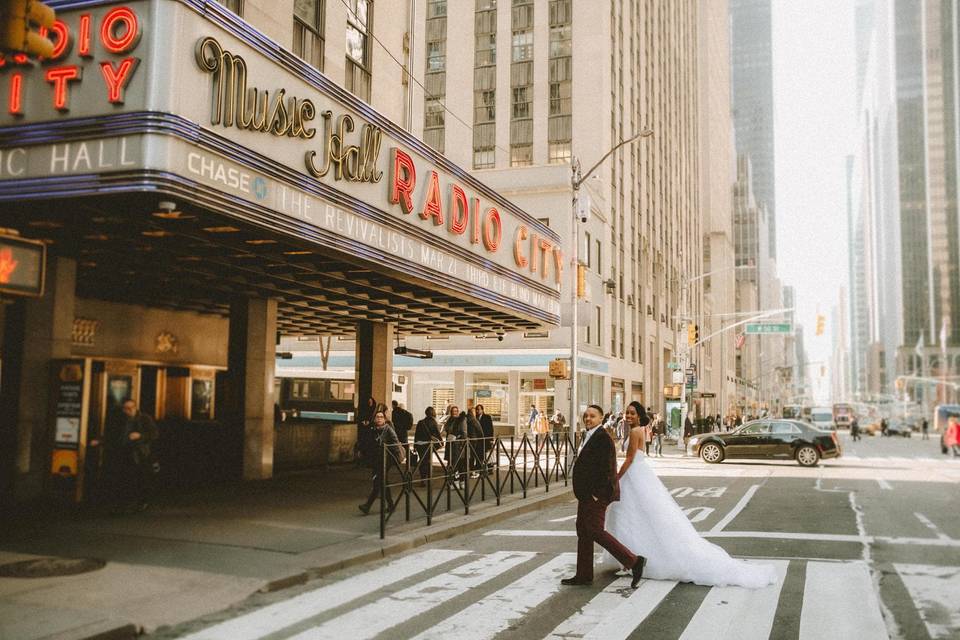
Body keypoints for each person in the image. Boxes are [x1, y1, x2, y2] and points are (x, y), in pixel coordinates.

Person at [604, 401, 776, 588]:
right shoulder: (638, 430)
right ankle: (629, 557)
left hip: (634, 475)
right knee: (636, 515)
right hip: (638, 475)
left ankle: (632, 558)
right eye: (627, 413)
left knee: (631, 515)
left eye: (632, 413)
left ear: (638, 415)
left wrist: (616, 478)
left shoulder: (636, 431)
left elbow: (629, 460)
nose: (628, 416)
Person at [560, 404, 646, 588]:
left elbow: (607, 469)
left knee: (595, 530)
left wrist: (597, 495)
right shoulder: (591, 434)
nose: (588, 419)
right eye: (586, 416)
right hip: (586, 495)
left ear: (601, 418)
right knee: (583, 531)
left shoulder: (603, 438)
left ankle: (634, 561)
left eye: (592, 416)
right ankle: (583, 575)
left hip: (596, 495)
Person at [89, 399, 159, 513]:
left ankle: (142, 501)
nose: (130, 410)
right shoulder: (120, 420)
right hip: (122, 451)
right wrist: (100, 441)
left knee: (140, 477)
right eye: (127, 408)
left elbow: (154, 434)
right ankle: (125, 502)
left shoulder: (144, 419)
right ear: (123, 410)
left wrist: (140, 435)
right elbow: (112, 435)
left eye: (132, 407)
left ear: (136, 407)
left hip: (138, 452)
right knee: (124, 477)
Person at [359, 410, 405, 515]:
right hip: (376, 460)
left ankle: (368, 505)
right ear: (374, 419)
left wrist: (398, 458)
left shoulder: (388, 429)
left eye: (381, 417)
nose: (379, 419)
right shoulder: (373, 429)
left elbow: (395, 442)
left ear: (384, 419)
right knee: (383, 482)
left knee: (378, 481)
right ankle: (391, 505)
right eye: (377, 417)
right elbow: (366, 441)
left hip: (386, 459)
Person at [413, 407, 443, 482]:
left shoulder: (420, 422)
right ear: (433, 413)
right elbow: (437, 433)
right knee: (428, 460)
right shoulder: (433, 422)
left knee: (422, 460)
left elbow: (416, 434)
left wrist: (415, 445)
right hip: (428, 445)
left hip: (420, 444)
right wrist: (441, 442)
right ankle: (429, 477)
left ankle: (422, 478)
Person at [475, 404, 495, 469]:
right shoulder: (475, 417)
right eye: (477, 409)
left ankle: (489, 467)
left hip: (486, 438)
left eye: (479, 409)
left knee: (487, 453)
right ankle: (479, 466)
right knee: (479, 453)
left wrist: (491, 439)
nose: (478, 411)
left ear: (482, 410)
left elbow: (491, 428)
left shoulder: (487, 417)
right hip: (478, 439)